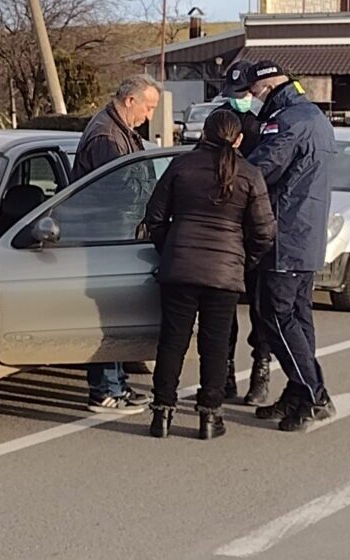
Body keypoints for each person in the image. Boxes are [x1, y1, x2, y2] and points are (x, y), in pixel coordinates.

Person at [143, 110, 275, 440]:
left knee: (172, 341)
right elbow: (264, 231)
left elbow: (155, 217)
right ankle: (210, 416)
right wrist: (243, 261)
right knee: (214, 345)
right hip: (224, 272)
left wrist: (170, 248)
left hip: (180, 267)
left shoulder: (181, 166)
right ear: (239, 139)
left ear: (203, 132)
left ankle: (162, 413)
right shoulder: (249, 174)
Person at [240, 61, 338, 432]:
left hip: (285, 236)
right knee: (297, 318)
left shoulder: (288, 121)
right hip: (305, 237)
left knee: (274, 316)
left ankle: (313, 395)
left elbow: (259, 170)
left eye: (253, 92)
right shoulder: (312, 116)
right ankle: (301, 392)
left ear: (267, 87)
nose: (251, 99)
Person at [73, 74, 161, 414]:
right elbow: (120, 190)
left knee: (119, 313)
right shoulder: (106, 137)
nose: (149, 116)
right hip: (106, 236)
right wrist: (156, 200)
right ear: (130, 101)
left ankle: (118, 383)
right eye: (148, 107)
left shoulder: (120, 131)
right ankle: (105, 390)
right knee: (109, 315)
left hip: (118, 234)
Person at [217, 60, 273, 405]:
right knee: (224, 312)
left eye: (244, 93)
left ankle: (260, 371)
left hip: (253, 228)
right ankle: (225, 373)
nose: (240, 99)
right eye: (234, 93)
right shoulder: (220, 121)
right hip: (227, 233)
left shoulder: (267, 123)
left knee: (261, 310)